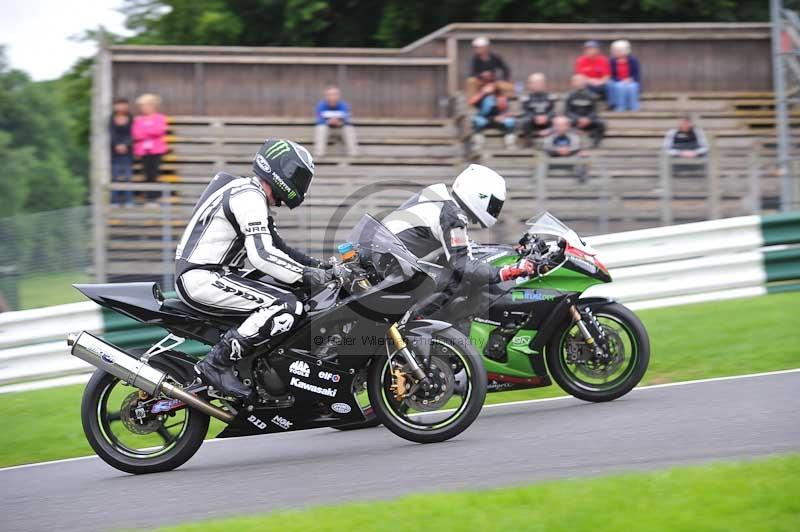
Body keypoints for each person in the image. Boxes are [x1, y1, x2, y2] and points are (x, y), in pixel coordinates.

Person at [175, 139, 331, 399]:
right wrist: (307, 276)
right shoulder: (249, 196)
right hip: (203, 277)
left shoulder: (248, 192)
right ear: (283, 172)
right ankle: (217, 364)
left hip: (216, 274)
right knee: (287, 305)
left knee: (291, 293)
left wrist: (322, 267)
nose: (301, 185)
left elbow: (279, 247)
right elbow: (262, 256)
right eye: (300, 177)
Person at [382, 164, 539, 317]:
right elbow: (464, 266)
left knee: (448, 268)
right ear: (479, 194)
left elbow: (464, 248)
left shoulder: (442, 201)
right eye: (493, 204)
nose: (494, 210)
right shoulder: (452, 216)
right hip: (389, 264)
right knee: (457, 280)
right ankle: (413, 324)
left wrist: (511, 251)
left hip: (385, 256)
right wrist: (506, 272)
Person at [132, 94, 168, 203]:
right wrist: (150, 132)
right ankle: (148, 198)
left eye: (145, 105)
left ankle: (154, 198)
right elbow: (136, 133)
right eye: (142, 106)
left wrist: (145, 132)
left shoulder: (160, 118)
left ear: (152, 106)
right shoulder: (138, 119)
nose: (143, 108)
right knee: (146, 174)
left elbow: (159, 131)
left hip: (156, 151)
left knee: (154, 174)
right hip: (143, 151)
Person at [469, 73, 516, 150]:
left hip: (498, 119)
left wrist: (503, 116)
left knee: (510, 122)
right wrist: (483, 92)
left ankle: (510, 144)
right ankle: (478, 144)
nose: (489, 86)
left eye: (490, 83)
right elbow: (471, 102)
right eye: (487, 83)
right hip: (485, 119)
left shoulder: (500, 96)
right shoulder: (480, 96)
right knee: (477, 121)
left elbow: (506, 110)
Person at [313, 85, 358, 157]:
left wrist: (340, 122)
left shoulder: (344, 105)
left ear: (339, 96)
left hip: (340, 129)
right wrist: (328, 122)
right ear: (326, 96)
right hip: (327, 129)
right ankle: (319, 156)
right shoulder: (321, 105)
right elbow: (319, 119)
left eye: (335, 94)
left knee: (349, 129)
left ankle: (354, 156)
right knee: (321, 128)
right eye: (330, 94)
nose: (332, 97)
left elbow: (347, 118)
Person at [565, 74, 606, 148]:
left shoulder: (591, 95)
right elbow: (567, 111)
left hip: (589, 121)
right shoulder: (569, 96)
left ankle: (595, 144)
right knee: (564, 123)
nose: (579, 83)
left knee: (601, 123)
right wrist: (578, 119)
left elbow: (595, 111)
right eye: (577, 81)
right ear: (573, 83)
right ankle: (570, 144)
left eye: (581, 81)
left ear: (585, 82)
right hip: (574, 122)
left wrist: (588, 119)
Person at [519, 73, 557, 141]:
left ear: (544, 84)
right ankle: (528, 143)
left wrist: (546, 117)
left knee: (558, 121)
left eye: (540, 83)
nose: (537, 85)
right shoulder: (526, 98)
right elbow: (525, 111)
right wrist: (535, 117)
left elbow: (552, 111)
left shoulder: (550, 96)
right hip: (532, 121)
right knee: (525, 121)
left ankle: (552, 142)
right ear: (530, 85)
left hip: (547, 121)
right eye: (535, 83)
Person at [110, 97, 133, 206]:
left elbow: (132, 134)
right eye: (119, 104)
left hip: (128, 152)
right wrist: (117, 145)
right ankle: (115, 201)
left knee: (128, 177)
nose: (121, 107)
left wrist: (125, 145)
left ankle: (128, 200)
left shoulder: (130, 118)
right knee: (115, 176)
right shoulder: (111, 118)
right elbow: (111, 134)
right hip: (114, 153)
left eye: (123, 104)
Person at [609, 40, 641, 112]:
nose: (614, 52)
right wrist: (621, 80)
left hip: (631, 81)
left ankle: (634, 107)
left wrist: (630, 80)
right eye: (614, 50)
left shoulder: (633, 60)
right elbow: (611, 75)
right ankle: (620, 107)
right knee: (619, 86)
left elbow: (636, 74)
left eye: (617, 50)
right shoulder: (611, 61)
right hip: (617, 81)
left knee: (633, 86)